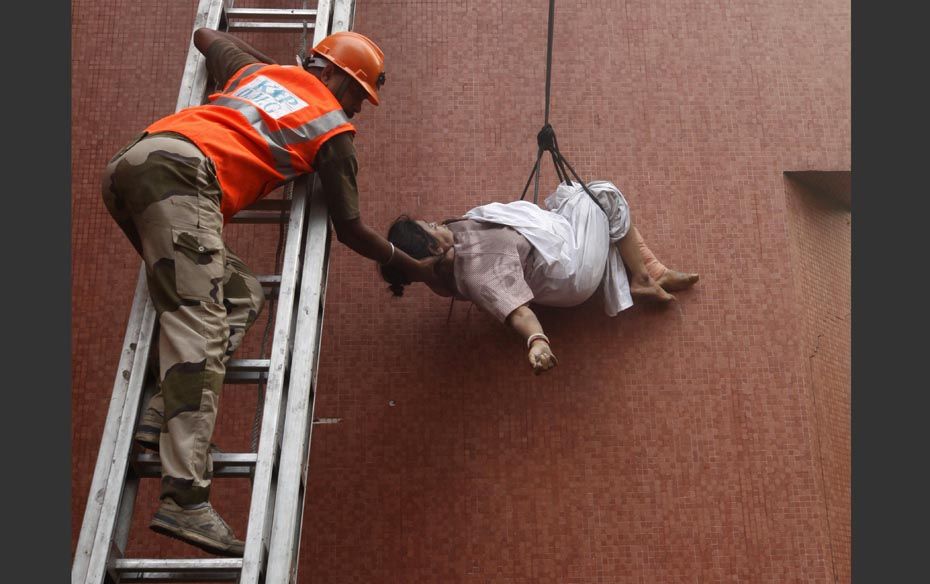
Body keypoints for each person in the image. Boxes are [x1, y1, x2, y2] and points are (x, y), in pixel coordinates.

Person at [101, 28, 435, 556]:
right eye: (356, 92)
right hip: (183, 177)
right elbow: (350, 227)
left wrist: (287, 68)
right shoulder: (333, 130)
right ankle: (186, 500)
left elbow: (205, 35)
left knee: (241, 295)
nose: (358, 109)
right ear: (331, 75)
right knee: (202, 324)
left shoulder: (257, 75)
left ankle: (163, 410)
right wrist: (411, 267)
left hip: (136, 164)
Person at [379, 180, 698, 374]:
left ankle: (655, 272)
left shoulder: (439, 270)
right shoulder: (478, 272)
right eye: (431, 227)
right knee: (602, 195)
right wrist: (537, 342)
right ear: (433, 248)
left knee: (573, 197)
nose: (438, 223)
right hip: (571, 274)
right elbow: (520, 314)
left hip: (551, 250)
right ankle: (643, 277)